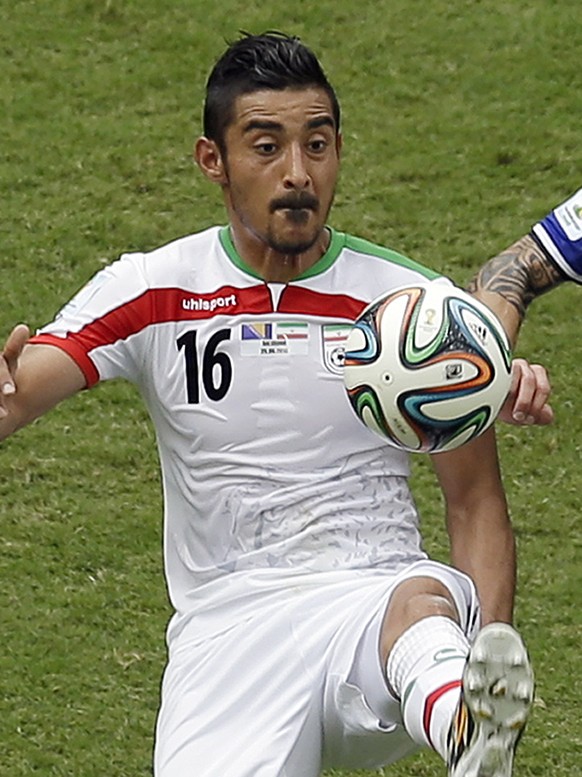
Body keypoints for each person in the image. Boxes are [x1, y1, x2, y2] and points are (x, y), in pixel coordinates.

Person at [0, 32, 554, 777]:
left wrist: (488, 644)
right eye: (267, 147)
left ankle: (466, 721)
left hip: (373, 597)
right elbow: (19, 392)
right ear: (212, 161)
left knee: (422, 602)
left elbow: (476, 501)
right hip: (229, 632)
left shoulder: (414, 311)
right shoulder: (155, 290)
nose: (299, 174)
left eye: (317, 144)